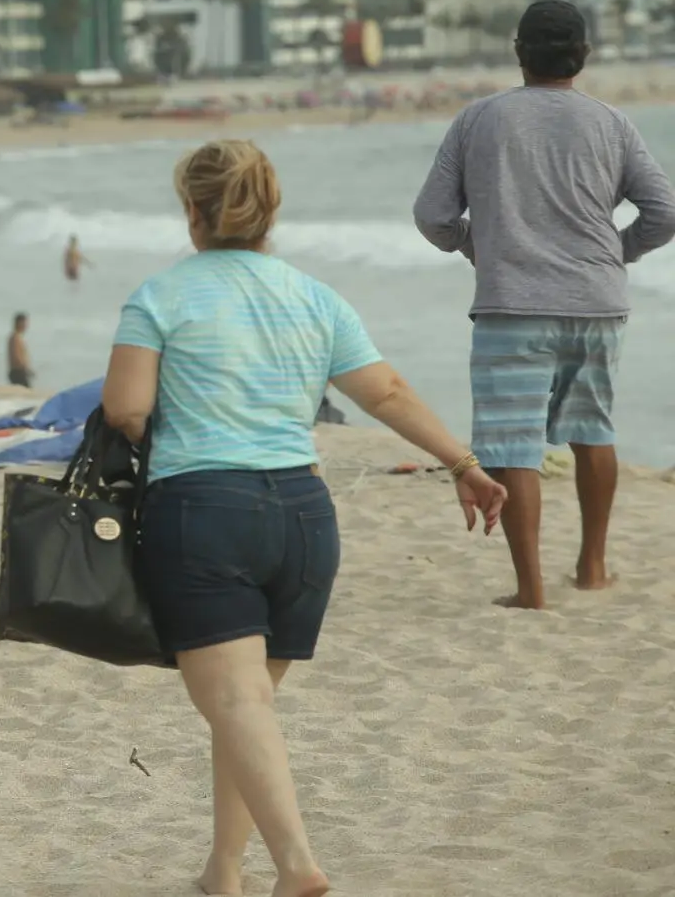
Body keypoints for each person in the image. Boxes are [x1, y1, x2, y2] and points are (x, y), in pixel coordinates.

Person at [102, 140, 507, 897]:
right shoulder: (315, 297)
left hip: (206, 512)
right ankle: (224, 870)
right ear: (270, 210)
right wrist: (463, 463)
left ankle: (296, 867)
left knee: (236, 704)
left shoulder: (159, 296)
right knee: (245, 707)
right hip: (303, 519)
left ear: (193, 211)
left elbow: (126, 407)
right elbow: (383, 392)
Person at [412, 0, 675, 610]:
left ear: (519, 53)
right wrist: (617, 251)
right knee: (593, 430)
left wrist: (477, 245)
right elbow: (664, 212)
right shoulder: (611, 122)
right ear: (582, 56)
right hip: (598, 303)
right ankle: (593, 567)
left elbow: (432, 216)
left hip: (513, 304)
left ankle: (531, 589)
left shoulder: (479, 119)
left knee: (512, 445)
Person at [7, 312, 33, 387]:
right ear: (19, 323)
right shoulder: (15, 338)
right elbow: (17, 357)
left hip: (19, 371)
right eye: (24, 323)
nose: (26, 326)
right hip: (18, 372)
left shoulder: (17, 337)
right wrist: (26, 368)